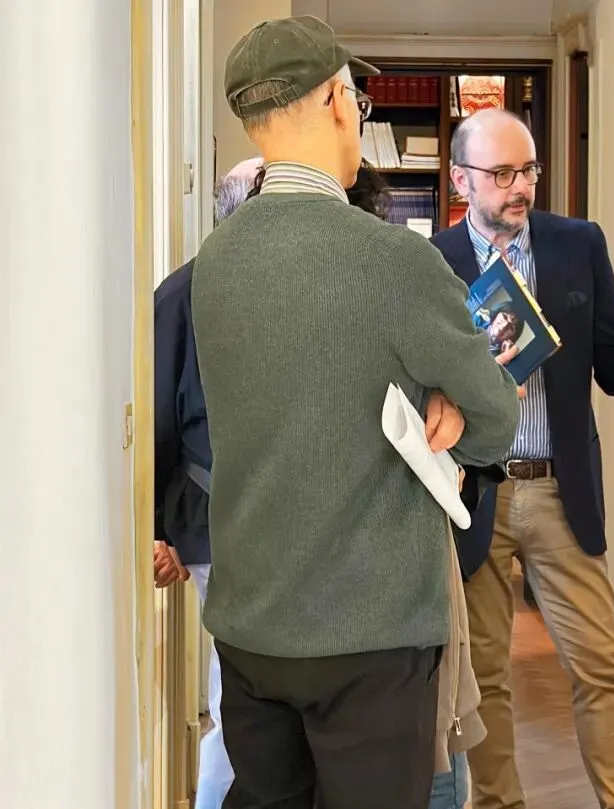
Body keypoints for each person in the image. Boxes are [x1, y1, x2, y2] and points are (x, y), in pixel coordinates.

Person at [190, 16, 520, 809]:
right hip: (370, 633)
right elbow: (494, 418)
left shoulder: (214, 263)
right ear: (337, 103)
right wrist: (449, 404)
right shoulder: (394, 259)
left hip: (250, 624)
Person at [432, 108, 614, 809]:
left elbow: (613, 364)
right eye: (501, 173)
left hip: (559, 488)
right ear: (460, 179)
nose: (520, 186)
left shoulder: (578, 244)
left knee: (601, 666)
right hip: (475, 492)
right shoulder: (434, 262)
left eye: (529, 170)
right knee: (483, 679)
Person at [152, 156, 263, 809]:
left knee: (250, 694)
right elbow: (160, 420)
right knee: (237, 697)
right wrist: (159, 531)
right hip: (214, 522)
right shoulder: (183, 294)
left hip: (278, 520)